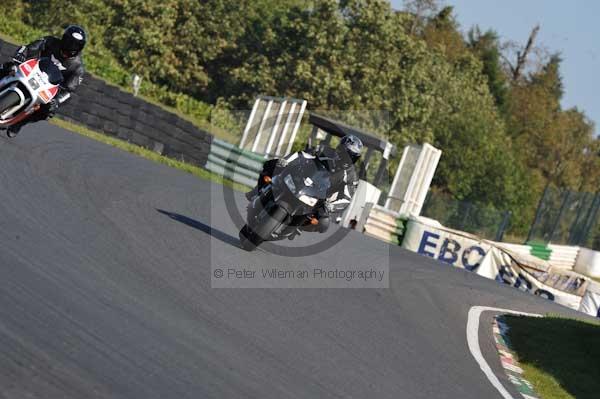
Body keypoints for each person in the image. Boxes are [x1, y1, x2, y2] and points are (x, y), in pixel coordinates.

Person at [247, 134, 363, 234]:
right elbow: (301, 154)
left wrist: (332, 206)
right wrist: (286, 161)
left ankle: (297, 226)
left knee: (323, 223)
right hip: (300, 179)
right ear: (339, 148)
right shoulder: (324, 151)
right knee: (273, 165)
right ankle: (256, 191)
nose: (346, 157)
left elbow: (346, 198)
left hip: (318, 197)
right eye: (344, 152)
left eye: (351, 156)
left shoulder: (352, 176)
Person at [0, 25, 86, 137]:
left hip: (49, 87)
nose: (71, 46)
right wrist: (21, 55)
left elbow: (69, 91)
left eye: (75, 45)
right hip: (33, 70)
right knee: (8, 67)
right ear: (64, 38)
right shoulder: (50, 41)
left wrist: (57, 101)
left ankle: (19, 123)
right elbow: (30, 47)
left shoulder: (78, 67)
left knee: (47, 111)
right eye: (70, 42)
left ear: (80, 47)